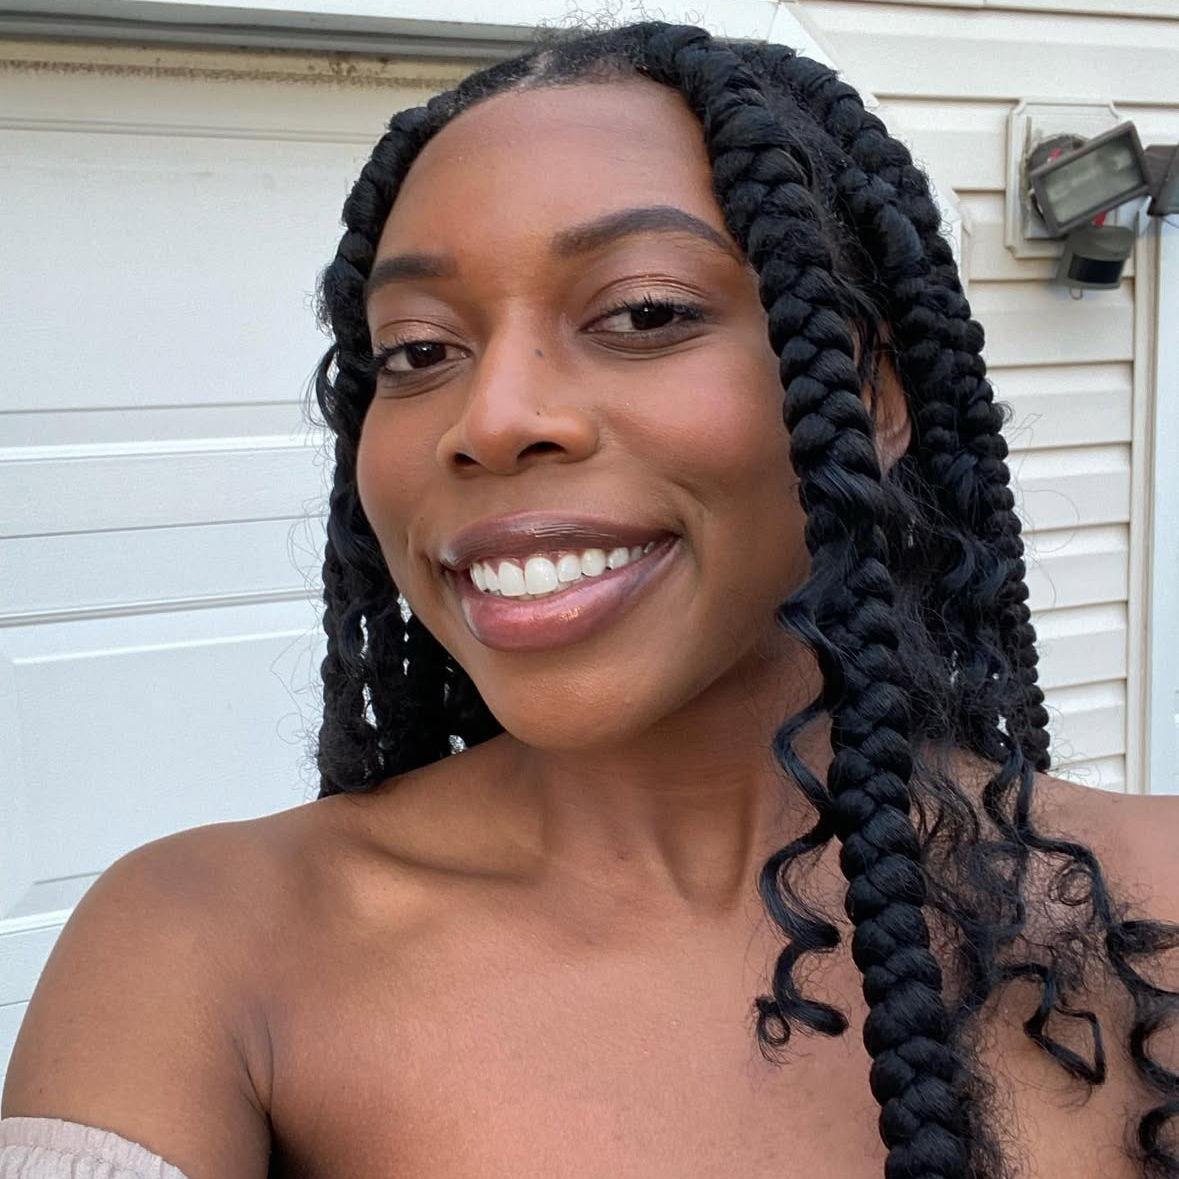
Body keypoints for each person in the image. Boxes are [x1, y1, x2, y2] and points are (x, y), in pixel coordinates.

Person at [2, 19, 1177, 1179]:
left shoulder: (1160, 898)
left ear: (869, 397)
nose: (493, 419)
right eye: (418, 350)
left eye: (644, 312)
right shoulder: (202, 950)